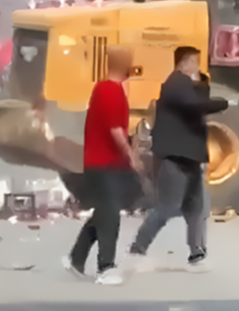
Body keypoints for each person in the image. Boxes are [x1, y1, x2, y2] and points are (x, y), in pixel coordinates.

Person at [129, 46, 228, 271]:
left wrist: (201, 82)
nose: (198, 67)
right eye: (195, 62)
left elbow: (197, 105)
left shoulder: (185, 85)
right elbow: (195, 107)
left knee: (196, 207)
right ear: (185, 62)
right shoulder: (176, 83)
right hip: (177, 158)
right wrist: (223, 103)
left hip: (190, 157)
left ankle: (197, 254)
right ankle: (138, 247)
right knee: (168, 206)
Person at [63, 46, 143, 286]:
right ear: (124, 64)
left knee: (103, 214)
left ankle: (76, 259)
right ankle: (105, 267)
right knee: (110, 218)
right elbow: (116, 131)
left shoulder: (107, 88)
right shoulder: (110, 90)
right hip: (104, 164)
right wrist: (132, 157)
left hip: (102, 163)